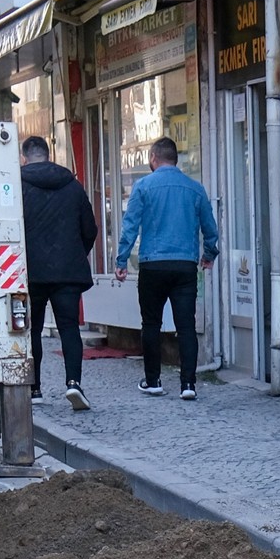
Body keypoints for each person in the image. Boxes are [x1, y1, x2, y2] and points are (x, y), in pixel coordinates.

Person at [114, 138, 218, 401]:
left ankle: (153, 381)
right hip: (184, 266)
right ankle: (188, 385)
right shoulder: (195, 189)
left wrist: (121, 261)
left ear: (153, 158)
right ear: (175, 159)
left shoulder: (143, 186)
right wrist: (209, 254)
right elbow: (210, 228)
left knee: (151, 323)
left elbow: (130, 226)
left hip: (153, 264)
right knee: (186, 326)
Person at [18, 135, 99, 411]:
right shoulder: (73, 186)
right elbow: (91, 229)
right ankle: (74, 384)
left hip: (31, 272)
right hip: (67, 272)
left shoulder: (17, 186)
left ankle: (35, 388)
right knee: (69, 328)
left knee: (34, 330)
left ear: (24, 157)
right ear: (48, 155)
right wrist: (76, 253)